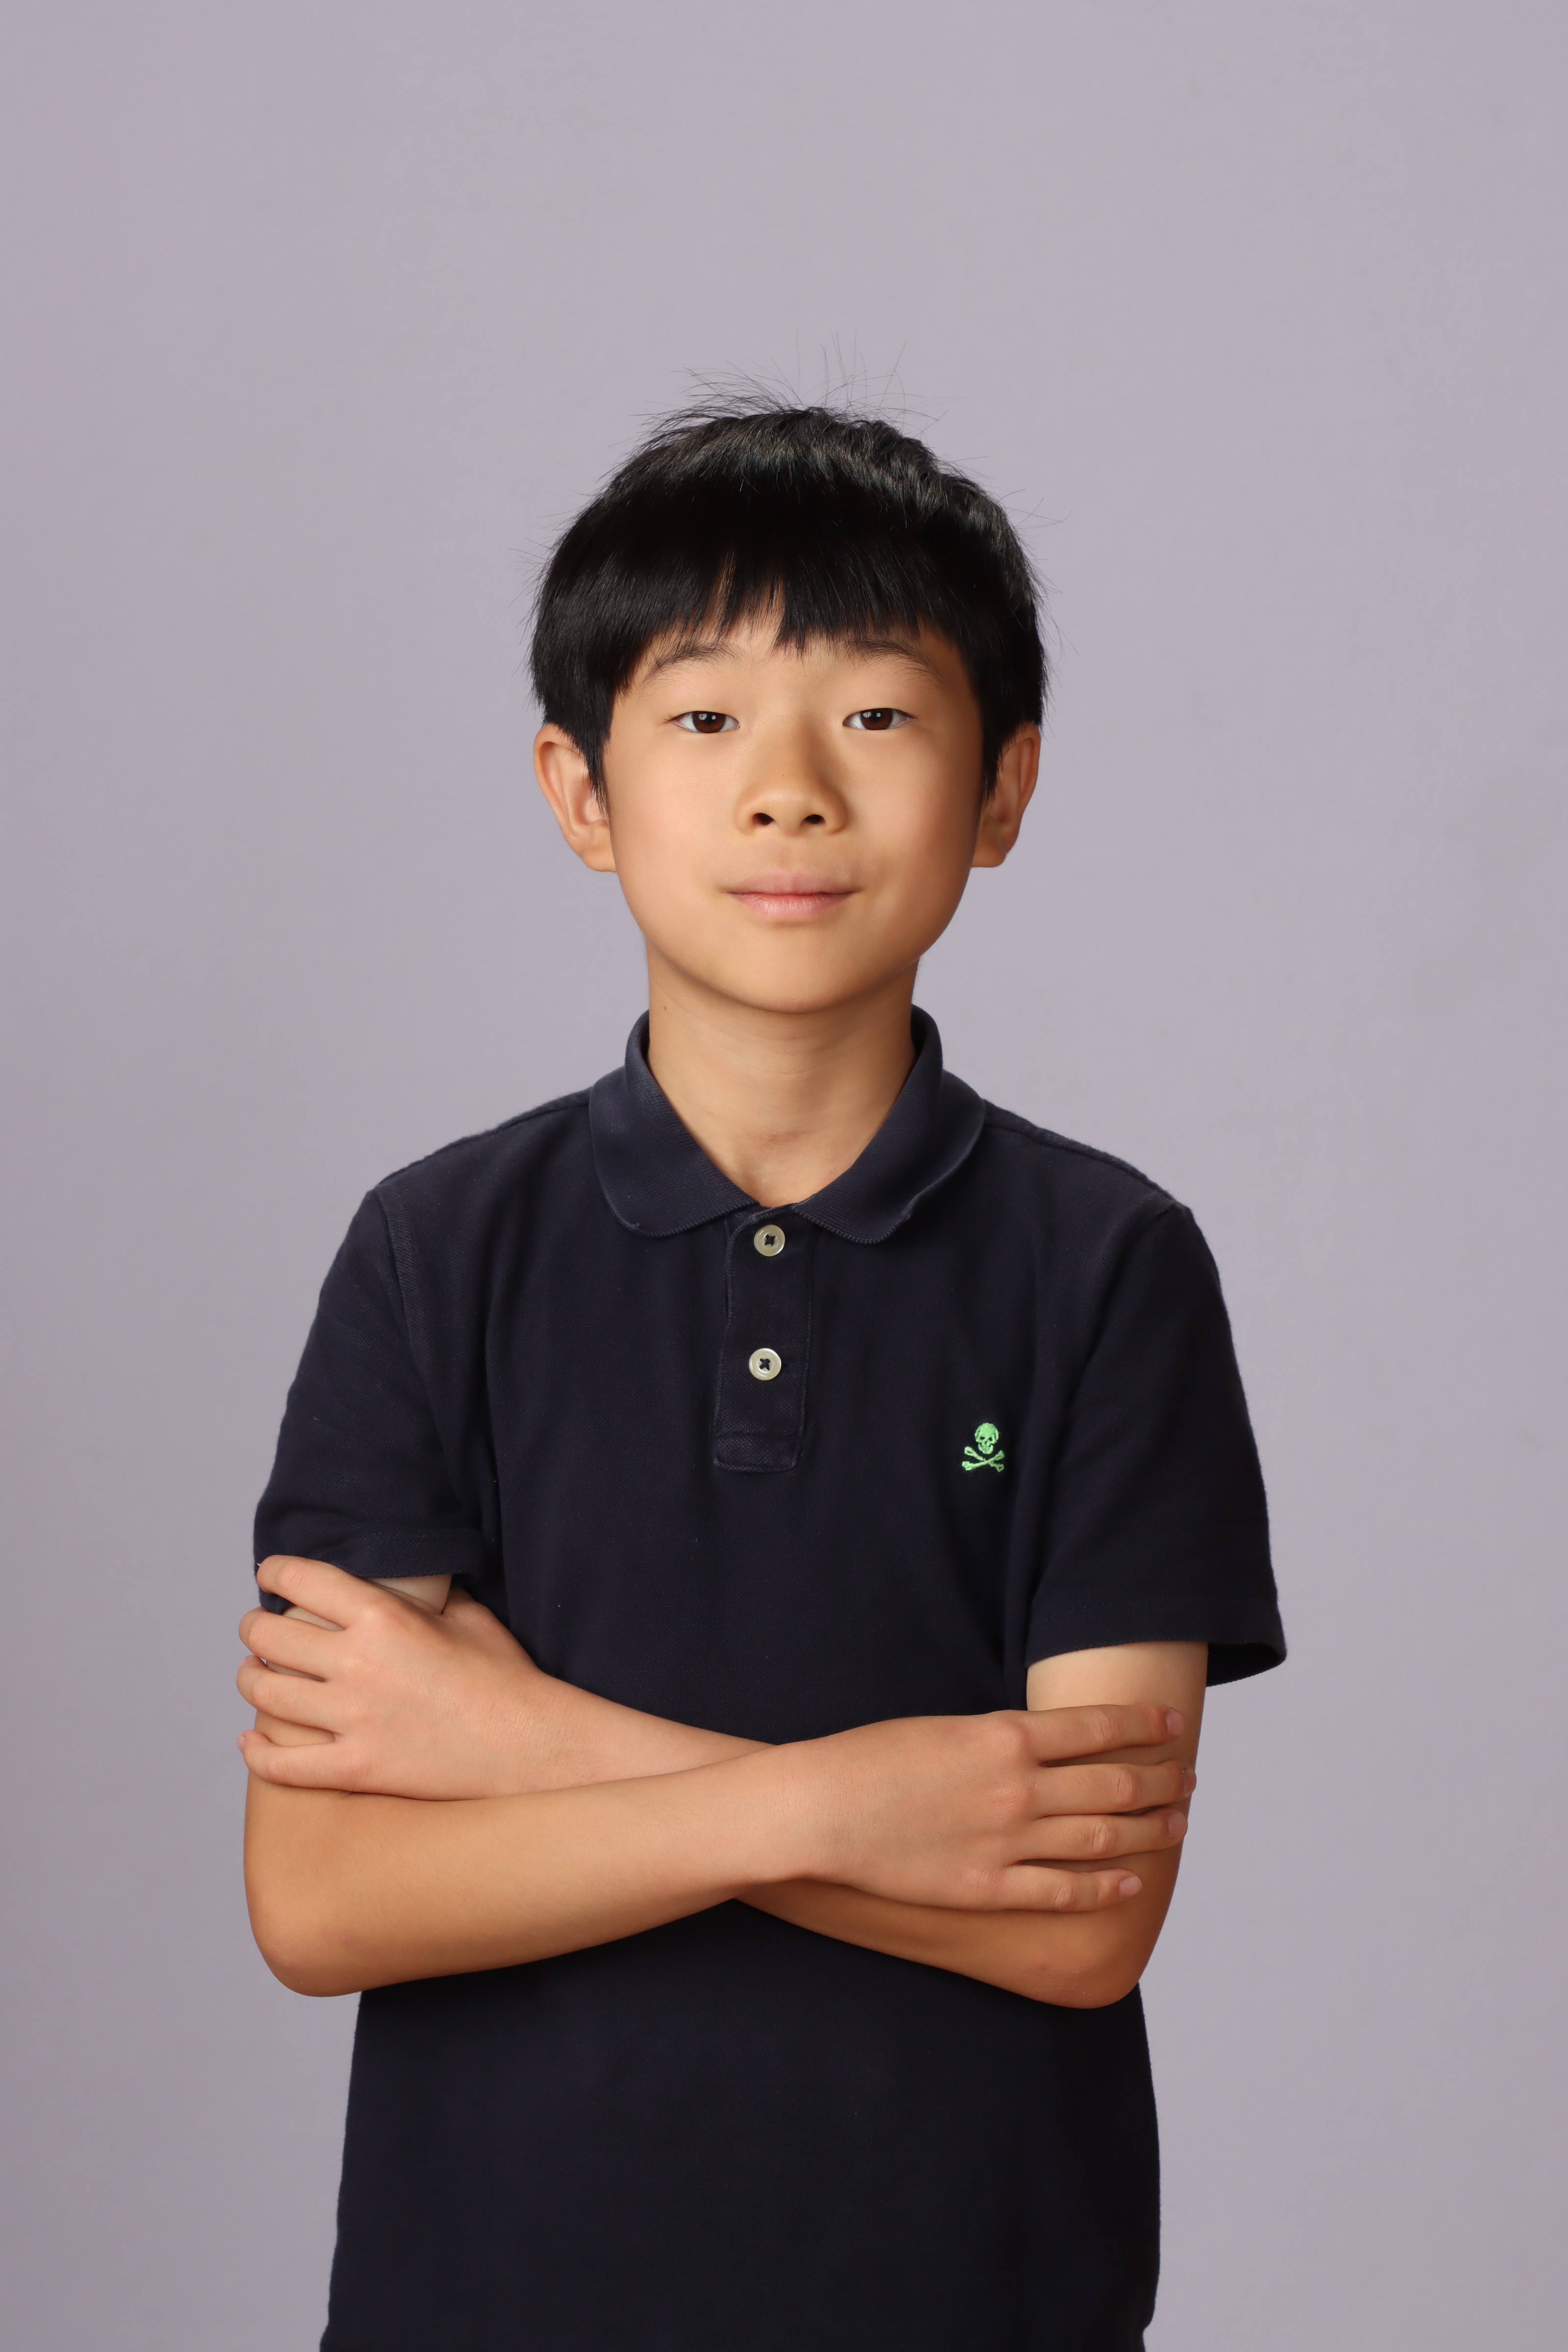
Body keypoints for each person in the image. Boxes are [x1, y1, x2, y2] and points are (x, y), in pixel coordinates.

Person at [238, 402, 1285, 2352]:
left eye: (876, 716)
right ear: (579, 788)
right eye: (706, 717)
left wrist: (516, 1743)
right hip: (485, 2301)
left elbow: (1082, 1926)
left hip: (975, 2298)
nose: (789, 792)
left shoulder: (1106, 1266)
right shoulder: (434, 1250)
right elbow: (321, 1901)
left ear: (1002, 785)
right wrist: (854, 1805)